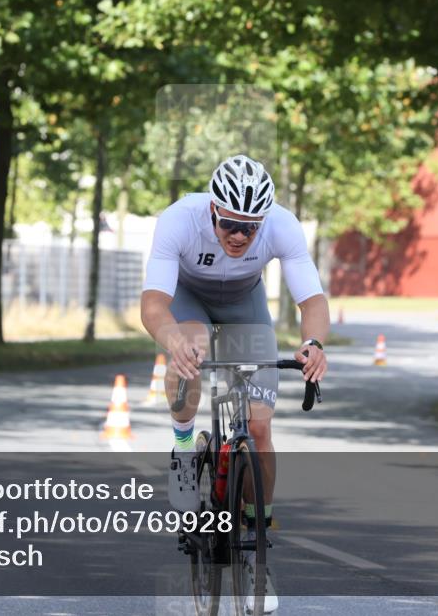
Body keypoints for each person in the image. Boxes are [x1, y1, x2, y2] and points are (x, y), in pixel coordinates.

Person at [140, 154, 330, 613]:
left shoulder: (283, 225)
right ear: (212, 211)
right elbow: (153, 304)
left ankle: (257, 547)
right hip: (188, 298)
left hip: (246, 304)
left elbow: (313, 298)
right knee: (192, 346)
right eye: (230, 224)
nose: (240, 236)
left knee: (260, 427)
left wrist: (313, 343)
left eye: (251, 227)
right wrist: (173, 340)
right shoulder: (180, 220)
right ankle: (185, 450)